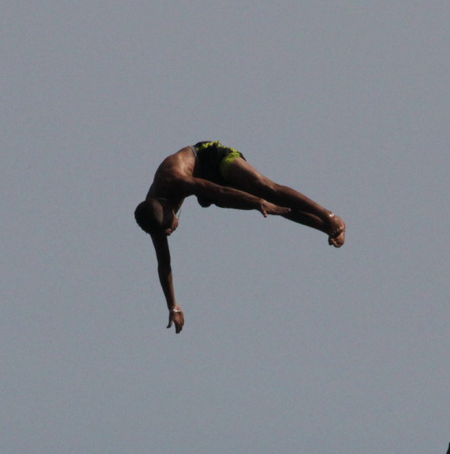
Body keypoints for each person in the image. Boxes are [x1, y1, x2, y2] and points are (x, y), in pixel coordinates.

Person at [134, 141, 345, 332]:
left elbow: (219, 191)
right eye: (164, 232)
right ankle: (325, 229)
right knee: (267, 206)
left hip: (210, 157)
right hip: (205, 184)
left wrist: (256, 201)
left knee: (263, 189)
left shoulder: (176, 181)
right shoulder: (154, 218)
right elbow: (164, 264)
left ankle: (329, 216)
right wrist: (173, 306)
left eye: (166, 228)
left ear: (167, 208)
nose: (168, 232)